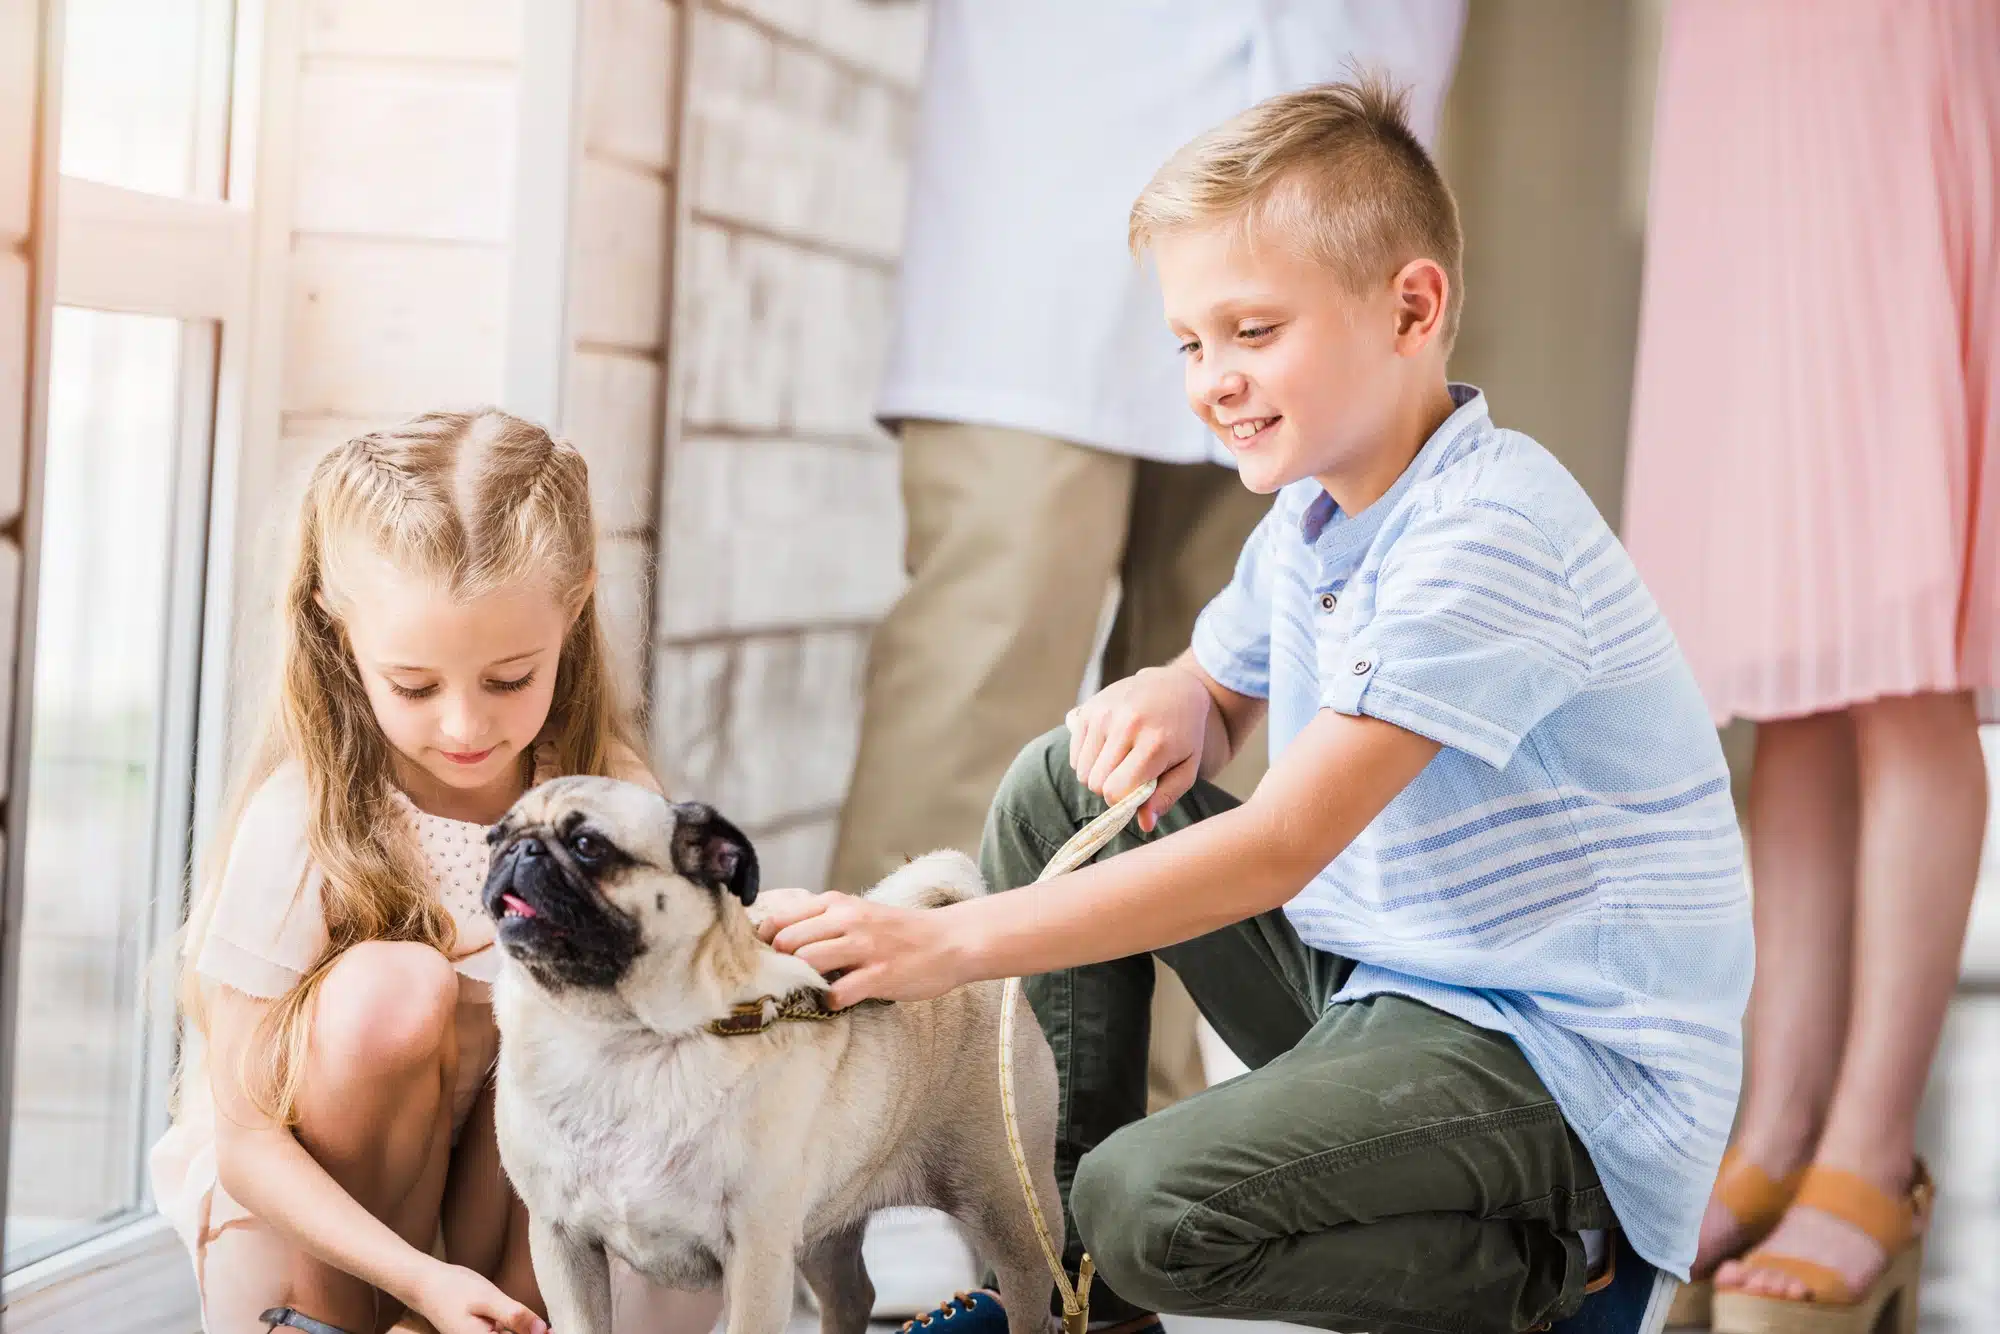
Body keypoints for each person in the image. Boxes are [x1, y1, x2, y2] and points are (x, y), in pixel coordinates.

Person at [760, 79, 1752, 1334]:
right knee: (1066, 785)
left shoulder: (1485, 536)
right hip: (1393, 977)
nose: (1212, 380)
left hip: (1558, 1065)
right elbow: (1220, 688)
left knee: (1149, 1202)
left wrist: (950, 942)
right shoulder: (1320, 510)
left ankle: (1564, 1272)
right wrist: (1180, 694)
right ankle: (1075, 1305)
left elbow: (1280, 843)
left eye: (1251, 330)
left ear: (1409, 306)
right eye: (1189, 342)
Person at [835, 0, 1465, 1111]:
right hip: (1053, 159)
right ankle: (874, 1106)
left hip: (1318, 139)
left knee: (1203, 730)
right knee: (985, 648)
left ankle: (1115, 1117)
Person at [147, 411, 698, 1334]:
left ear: (574, 606)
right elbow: (246, 1143)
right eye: (413, 686)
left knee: (589, 1000)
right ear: (337, 627)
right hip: (322, 1240)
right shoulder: (309, 816)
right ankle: (355, 1325)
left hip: (511, 1227)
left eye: (511, 678)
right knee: (392, 987)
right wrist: (417, 1281)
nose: (465, 727)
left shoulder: (599, 795)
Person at [1621, 2, 1997, 1330]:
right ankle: (1776, 1124)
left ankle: (1872, 1146)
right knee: (1784, 660)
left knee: (1902, 649)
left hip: (1896, 54)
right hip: (1740, 60)